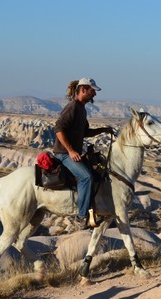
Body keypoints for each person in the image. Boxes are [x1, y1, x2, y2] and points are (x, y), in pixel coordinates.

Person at [52, 77, 113, 228]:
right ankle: (81, 217)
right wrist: (71, 151)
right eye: (93, 91)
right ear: (83, 90)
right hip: (63, 154)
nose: (95, 95)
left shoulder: (82, 109)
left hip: (71, 153)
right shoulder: (73, 107)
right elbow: (58, 129)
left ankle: (94, 211)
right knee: (86, 177)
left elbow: (85, 132)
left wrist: (103, 130)